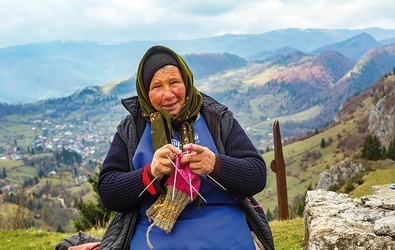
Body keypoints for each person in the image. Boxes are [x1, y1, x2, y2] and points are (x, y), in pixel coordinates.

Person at [98, 45, 274, 249]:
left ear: (187, 82)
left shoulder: (217, 119)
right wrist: (150, 173)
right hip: (154, 230)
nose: (168, 94)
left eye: (174, 82)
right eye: (156, 87)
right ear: (145, 93)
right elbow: (108, 191)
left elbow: (257, 175)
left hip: (222, 227)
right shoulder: (132, 128)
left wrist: (215, 165)